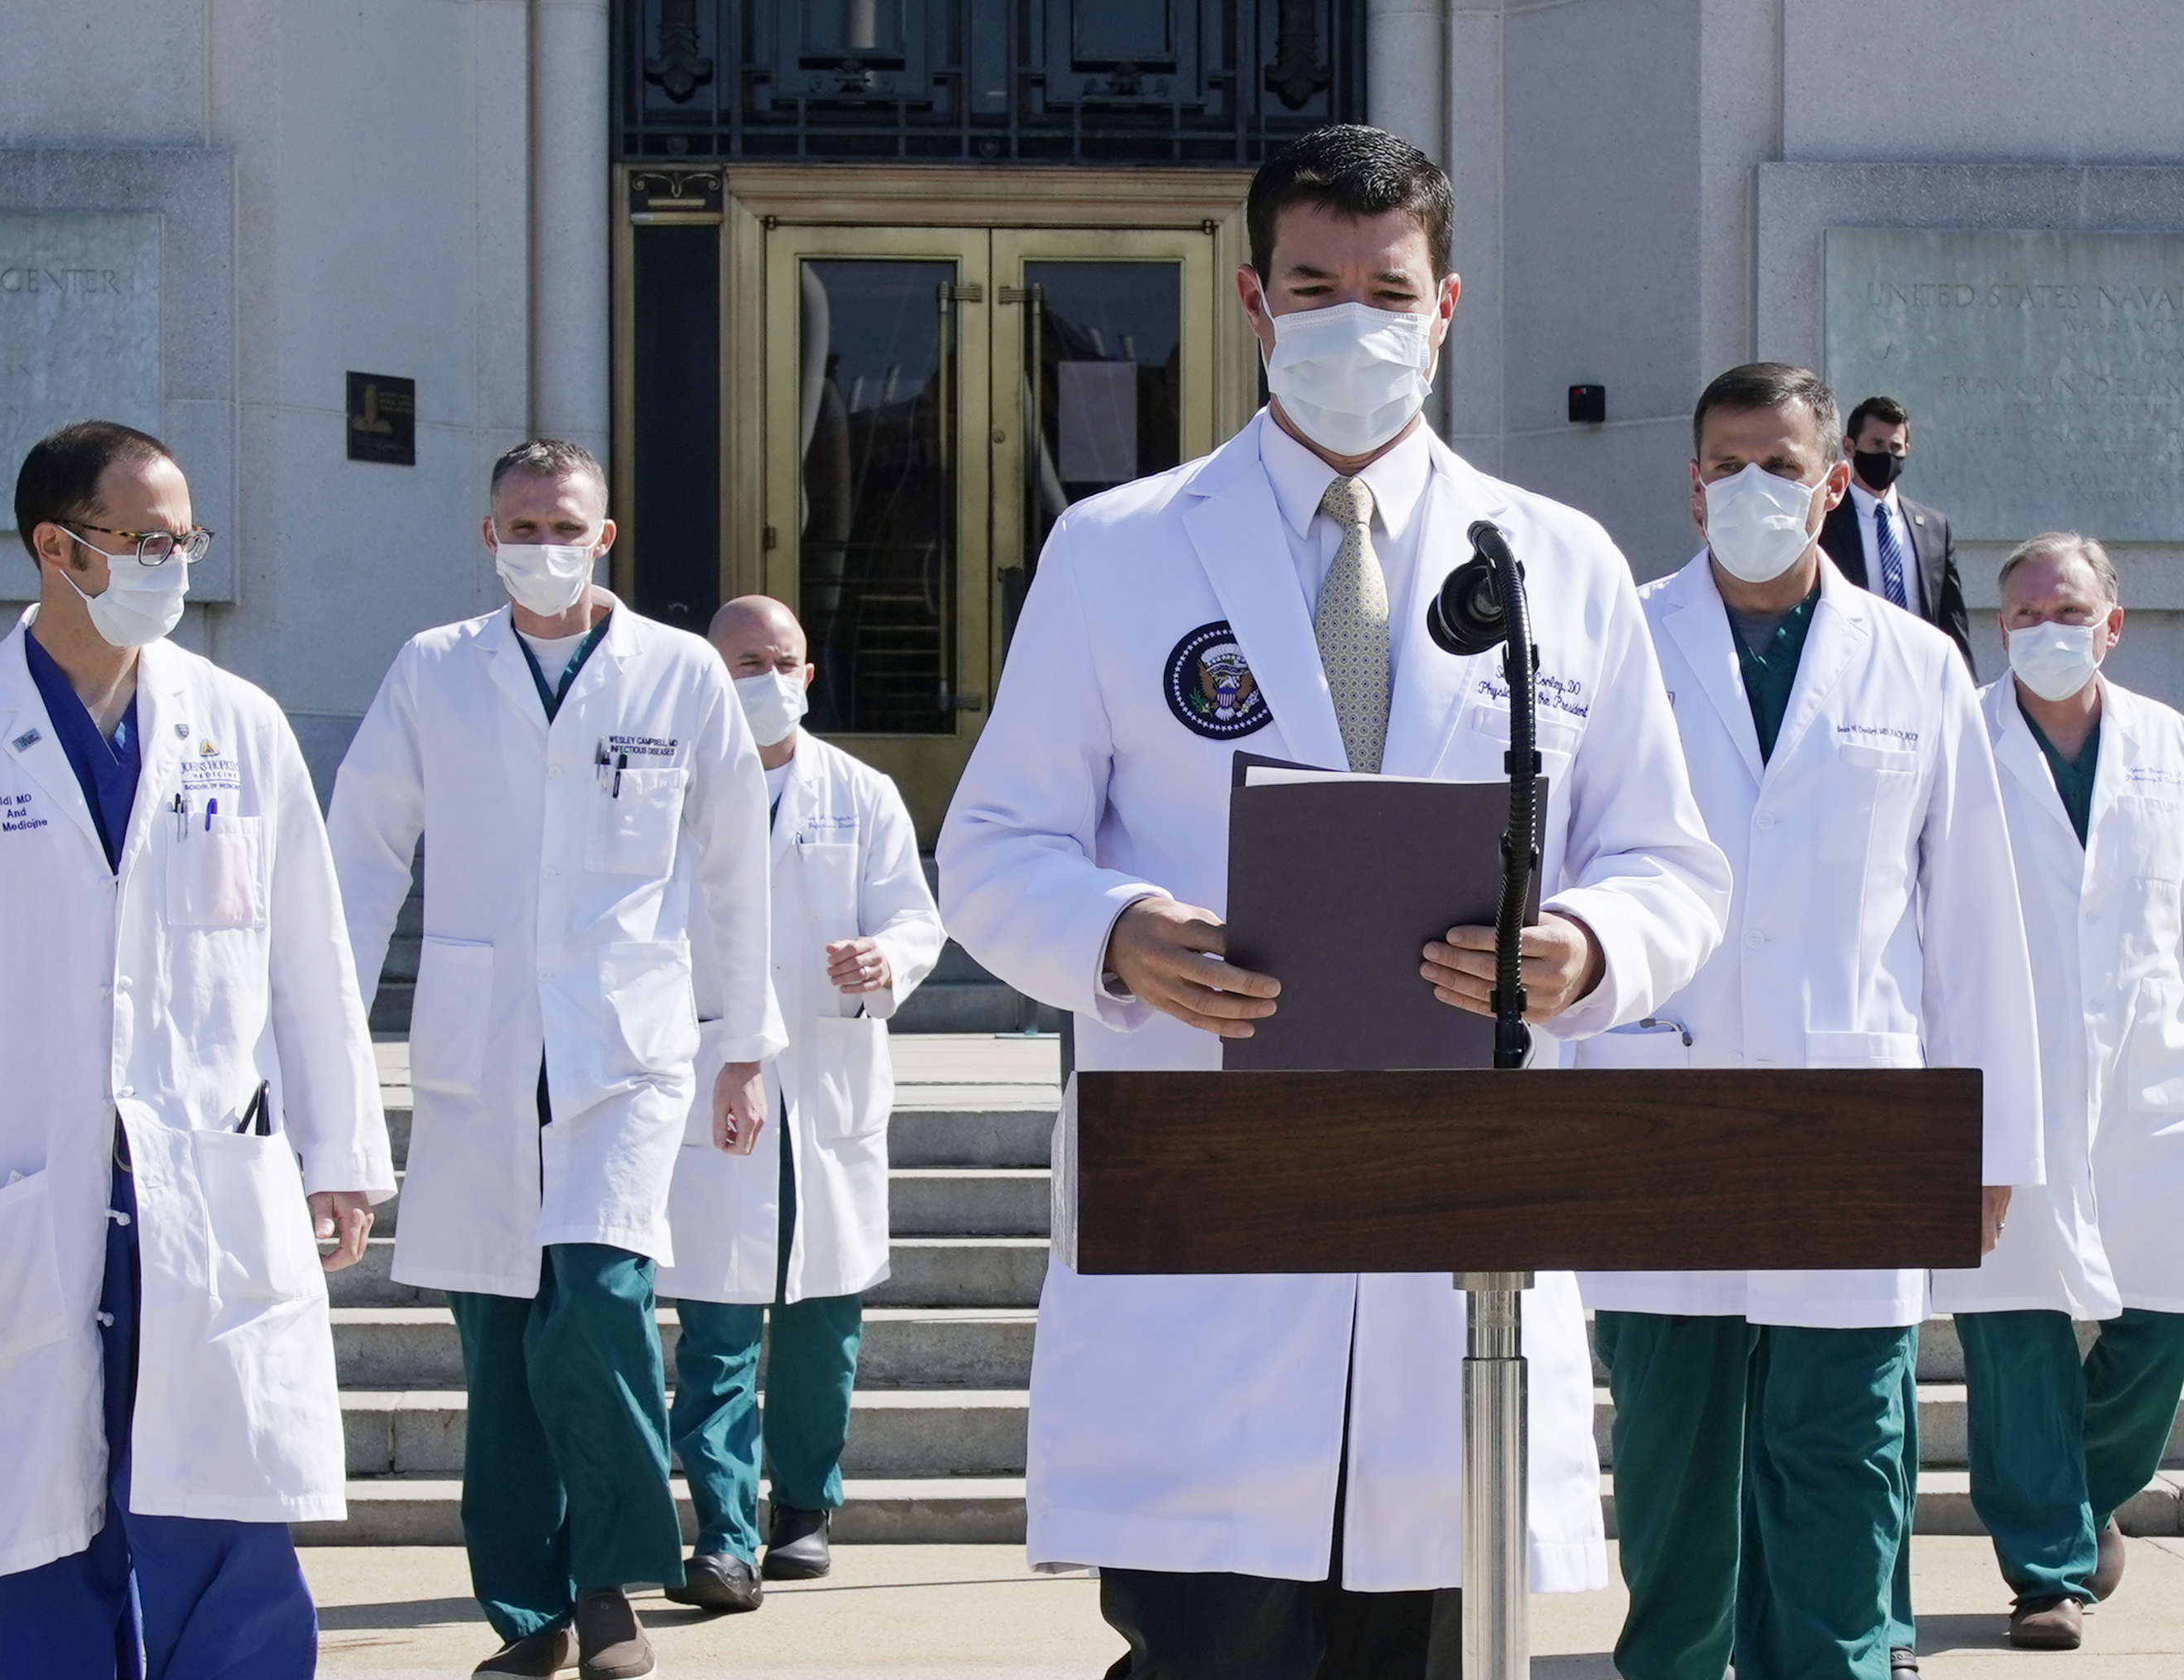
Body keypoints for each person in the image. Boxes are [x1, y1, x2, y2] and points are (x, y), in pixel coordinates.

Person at [935, 124, 1731, 1678]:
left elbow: (1669, 864)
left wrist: (1587, 945)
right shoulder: (1114, 553)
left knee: (1424, 1643)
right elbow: (988, 849)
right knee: (1208, 1649)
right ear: (1252, 300)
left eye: (1387, 287)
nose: (1352, 321)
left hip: (1459, 1209)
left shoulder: (1553, 561)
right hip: (1210, 1192)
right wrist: (1117, 934)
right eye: (1315, 285)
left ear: (1445, 307)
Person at [0, 421, 392, 1678]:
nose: (170, 564)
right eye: (145, 540)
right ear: (55, 545)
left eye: (184, 539)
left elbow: (310, 959)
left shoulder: (241, 725)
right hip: (27, 1181)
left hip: (204, 1182)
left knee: (226, 1520)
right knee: (47, 1535)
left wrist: (340, 1150)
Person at [1576, 363, 2045, 1680]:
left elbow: (1968, 916)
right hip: (1657, 1100)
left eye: (1779, 466)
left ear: (1833, 482)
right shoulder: (1618, 642)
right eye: (1725, 465)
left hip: (1857, 1113)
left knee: (1843, 1461)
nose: (1750, 490)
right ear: (1687, 482)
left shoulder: (1914, 662)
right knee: (1672, 1469)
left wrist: (1989, 1135)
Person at [327, 440, 781, 1679]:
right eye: (518, 525)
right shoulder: (435, 670)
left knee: (597, 1301)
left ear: (606, 535)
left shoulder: (679, 673)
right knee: (499, 1331)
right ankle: (527, 1611)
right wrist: (319, 1037)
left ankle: (610, 1576)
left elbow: (737, 869)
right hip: (481, 1049)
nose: (541, 544)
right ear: (486, 538)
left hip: (625, 1048)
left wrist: (744, 1047)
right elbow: (360, 856)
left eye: (561, 523)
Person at [1932, 533, 2184, 1650]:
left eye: (2065, 609)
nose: (2044, 630)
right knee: (2016, 1328)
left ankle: (2075, 1496)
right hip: (2003, 1079)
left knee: (2172, 1315)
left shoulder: (2166, 745)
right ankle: (2045, 1571)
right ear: (1996, 629)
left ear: (2110, 623)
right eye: (2022, 613)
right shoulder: (1960, 743)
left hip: (2145, 1075)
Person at [656, 594, 946, 1612]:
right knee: (720, 1324)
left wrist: (886, 958)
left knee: (824, 1318)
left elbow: (915, 915)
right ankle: (724, 1535)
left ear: (808, 675)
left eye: (780, 661)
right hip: (714, 1080)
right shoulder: (670, 787)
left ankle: (805, 1506)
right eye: (742, 662)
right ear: (706, 670)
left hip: (827, 1082)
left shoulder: (859, 793)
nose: (763, 680)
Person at [1821, 395, 1972, 669]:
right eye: (1876, 444)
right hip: (1849, 669)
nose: (1886, 454)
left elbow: (1952, 618)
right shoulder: (1825, 520)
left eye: (1895, 447)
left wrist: (1967, 685)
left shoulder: (1935, 527)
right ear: (1850, 447)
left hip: (1920, 670)